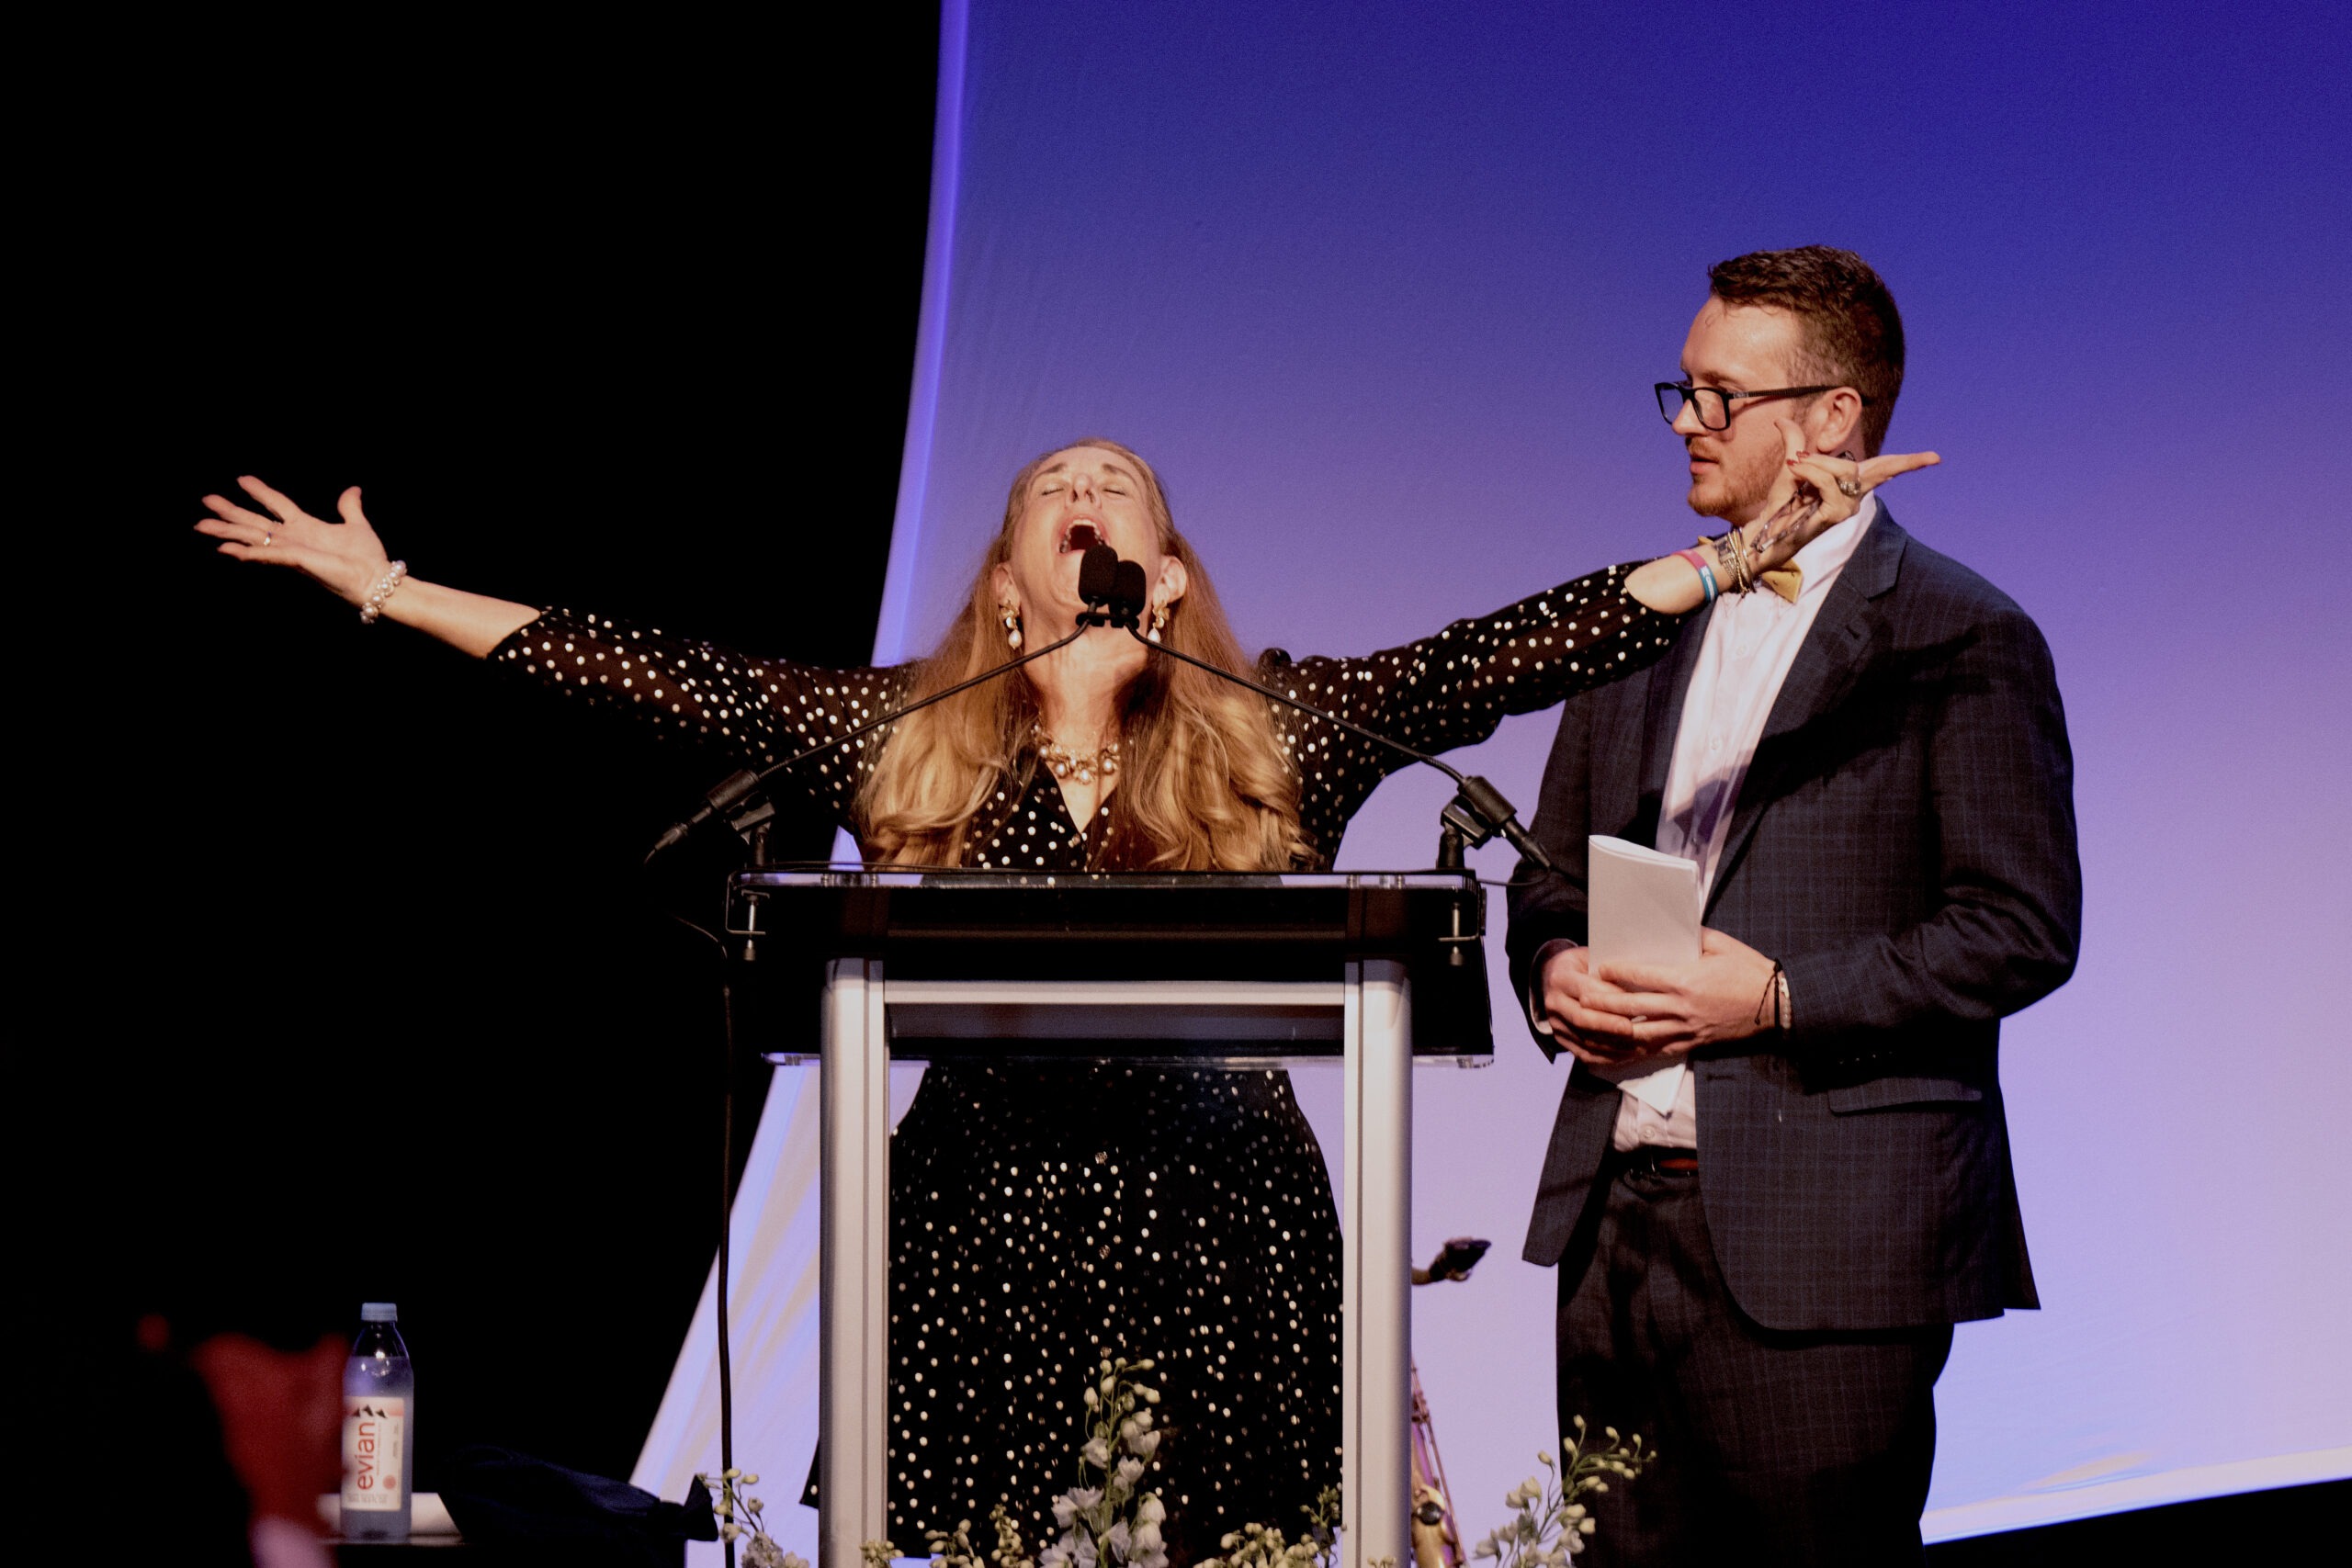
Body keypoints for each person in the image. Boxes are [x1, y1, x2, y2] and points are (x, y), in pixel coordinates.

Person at [196, 433, 1904, 1557]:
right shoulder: (898, 735)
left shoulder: (1277, 724)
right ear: (1009, 577)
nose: (1087, 495)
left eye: (1123, 487)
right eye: (1051, 489)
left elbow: (1497, 653)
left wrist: (1733, 562)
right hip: (976, 1211)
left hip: (1225, 1212)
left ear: (1160, 574)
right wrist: (393, 590)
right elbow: (652, 670)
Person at [1506, 247, 2080, 1565]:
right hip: (1618, 1230)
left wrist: (1773, 996)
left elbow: (2018, 926)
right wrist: (1553, 968)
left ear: (1834, 418)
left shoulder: (1956, 635)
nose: (1689, 423)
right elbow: (1547, 873)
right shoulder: (1646, 615)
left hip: (1827, 1245)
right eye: (1684, 391)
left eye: (1721, 395)